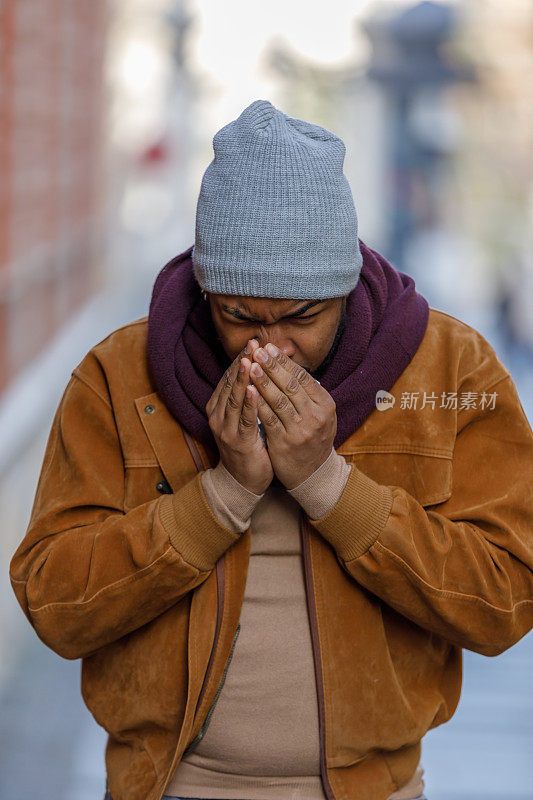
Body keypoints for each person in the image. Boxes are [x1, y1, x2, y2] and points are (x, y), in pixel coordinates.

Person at [9, 99, 533, 800]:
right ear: (203, 292)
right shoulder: (118, 375)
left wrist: (328, 483)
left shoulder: (448, 371)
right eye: (237, 316)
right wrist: (220, 495)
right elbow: (55, 603)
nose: (270, 348)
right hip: (168, 788)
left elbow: (504, 600)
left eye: (303, 317)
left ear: (344, 288)